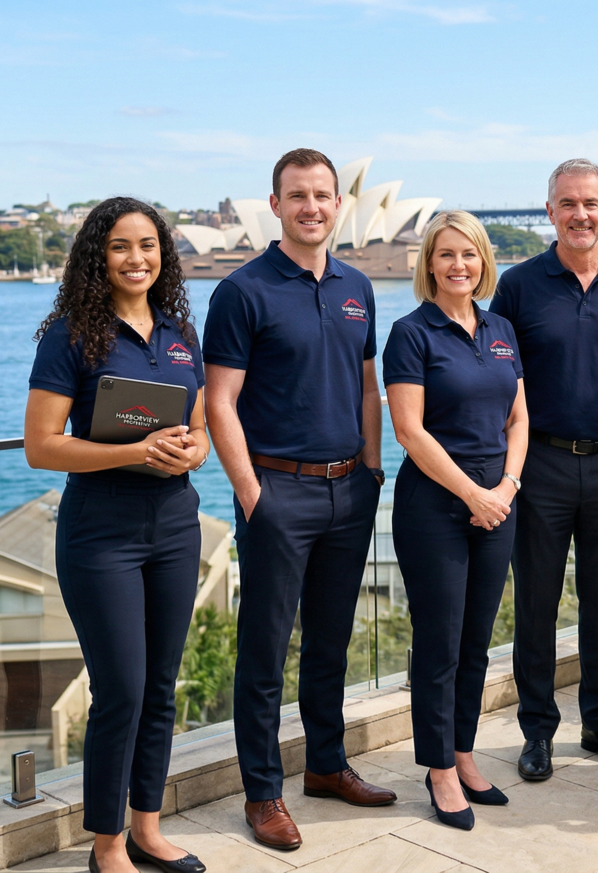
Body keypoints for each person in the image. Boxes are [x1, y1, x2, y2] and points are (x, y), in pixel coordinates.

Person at [203, 148, 395, 852]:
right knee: (264, 651)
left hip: (351, 487)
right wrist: (253, 495)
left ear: (338, 204)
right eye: (297, 195)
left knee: (331, 643)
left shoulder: (356, 287)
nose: (311, 206)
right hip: (278, 489)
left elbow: (368, 385)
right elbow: (218, 403)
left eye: (323, 194)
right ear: (276, 203)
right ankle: (262, 792)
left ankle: (325, 764)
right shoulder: (242, 291)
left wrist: (373, 471)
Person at [25, 197, 209, 873]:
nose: (138, 258)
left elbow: (200, 425)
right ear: (98, 257)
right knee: (122, 689)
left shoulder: (180, 331)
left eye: (149, 245)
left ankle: (147, 828)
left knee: (160, 685)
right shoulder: (72, 334)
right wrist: (136, 452)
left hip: (174, 526)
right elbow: (41, 447)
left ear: (164, 254)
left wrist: (194, 450)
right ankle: (106, 847)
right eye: (121, 246)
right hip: (101, 533)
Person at [490, 159, 598, 780]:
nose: (580, 215)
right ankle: (537, 730)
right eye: (568, 204)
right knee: (535, 602)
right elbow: (502, 379)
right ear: (550, 212)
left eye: (591, 203)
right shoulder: (517, 285)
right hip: (540, 466)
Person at [385, 211, 529, 831]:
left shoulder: (500, 328)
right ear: (429, 264)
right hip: (436, 508)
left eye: (468, 254)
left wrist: (506, 486)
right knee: (439, 645)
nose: (459, 266)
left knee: (476, 643)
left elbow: (519, 418)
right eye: (446, 255)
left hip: (497, 505)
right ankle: (438, 769)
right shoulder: (410, 333)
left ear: (483, 260)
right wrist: (474, 493)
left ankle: (464, 754)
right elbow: (409, 431)